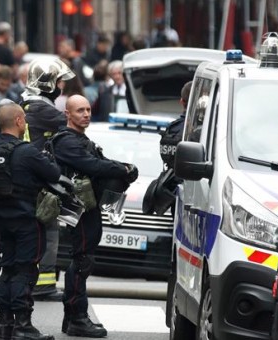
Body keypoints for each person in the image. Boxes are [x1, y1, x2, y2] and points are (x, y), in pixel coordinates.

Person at [49, 94, 138, 338]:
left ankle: (72, 319)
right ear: (67, 113)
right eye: (80, 110)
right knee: (82, 261)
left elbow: (100, 161)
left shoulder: (81, 139)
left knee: (82, 260)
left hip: (88, 208)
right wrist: (124, 169)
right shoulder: (66, 141)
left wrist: (124, 167)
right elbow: (93, 166)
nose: (86, 114)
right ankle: (77, 318)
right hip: (79, 209)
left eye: (88, 109)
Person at [0, 103, 60, 340]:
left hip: (0, 218)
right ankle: (23, 324)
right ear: (18, 121)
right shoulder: (26, 151)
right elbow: (54, 174)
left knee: (7, 267)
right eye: (24, 118)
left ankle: (5, 322)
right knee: (25, 270)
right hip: (26, 220)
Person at [19, 57, 74, 301]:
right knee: (49, 230)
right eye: (59, 82)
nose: (62, 87)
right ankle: (44, 284)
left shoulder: (27, 104)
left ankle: (35, 280)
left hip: (28, 179)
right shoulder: (43, 110)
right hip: (40, 182)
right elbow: (70, 126)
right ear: (49, 84)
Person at [143, 81, 192, 216]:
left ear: (181, 102)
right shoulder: (203, 129)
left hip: (174, 190)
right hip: (192, 194)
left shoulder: (172, 128)